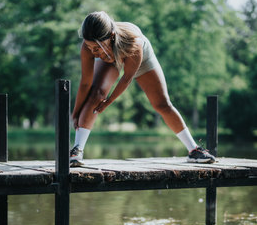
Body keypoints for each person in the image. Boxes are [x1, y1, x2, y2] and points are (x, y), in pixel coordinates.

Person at [70, 11, 215, 166]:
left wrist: (108, 102)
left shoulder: (134, 42)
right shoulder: (88, 47)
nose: (93, 52)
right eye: (90, 47)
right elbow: (85, 83)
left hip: (139, 56)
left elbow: (126, 79)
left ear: (111, 36)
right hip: (110, 59)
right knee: (96, 93)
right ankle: (77, 151)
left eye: (97, 48)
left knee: (162, 104)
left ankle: (194, 150)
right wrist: (76, 112)